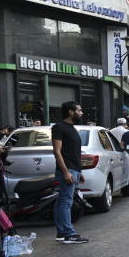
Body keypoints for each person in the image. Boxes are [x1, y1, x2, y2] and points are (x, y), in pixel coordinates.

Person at [51, 101, 88, 244]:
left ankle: (61, 232)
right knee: (66, 202)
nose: (81, 113)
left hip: (74, 169)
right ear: (71, 111)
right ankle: (69, 234)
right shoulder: (59, 127)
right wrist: (65, 171)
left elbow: (73, 153)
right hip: (67, 170)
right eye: (79, 110)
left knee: (61, 200)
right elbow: (57, 151)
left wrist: (80, 171)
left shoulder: (71, 128)